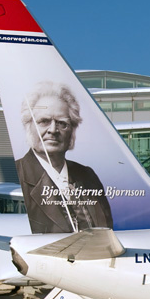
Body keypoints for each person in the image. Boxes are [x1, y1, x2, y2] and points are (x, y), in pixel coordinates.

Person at [15, 81, 112, 233]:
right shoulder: (17, 173)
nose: (53, 130)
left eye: (62, 123)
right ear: (28, 126)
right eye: (44, 121)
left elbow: (107, 227)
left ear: (72, 131)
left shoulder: (87, 176)